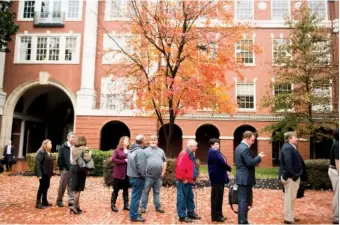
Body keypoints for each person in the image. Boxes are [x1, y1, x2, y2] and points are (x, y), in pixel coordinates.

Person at [235, 131, 265, 224]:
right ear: (247, 138)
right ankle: (243, 222)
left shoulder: (239, 147)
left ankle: (242, 220)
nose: (253, 142)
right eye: (252, 140)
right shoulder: (245, 148)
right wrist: (259, 157)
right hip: (245, 178)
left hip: (242, 177)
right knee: (244, 201)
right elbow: (250, 162)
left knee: (242, 201)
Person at [279, 131, 304, 224]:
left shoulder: (290, 147)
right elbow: (288, 163)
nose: (296, 138)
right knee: (289, 198)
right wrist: (293, 175)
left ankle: (290, 216)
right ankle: (288, 219)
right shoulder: (287, 148)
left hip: (291, 177)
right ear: (289, 138)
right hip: (290, 178)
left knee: (292, 198)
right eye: (295, 137)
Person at [175, 139, 201, 223]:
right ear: (190, 146)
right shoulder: (184, 154)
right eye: (195, 146)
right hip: (184, 180)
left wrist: (193, 178)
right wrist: (184, 179)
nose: (197, 147)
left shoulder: (191, 154)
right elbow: (180, 168)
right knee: (182, 198)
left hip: (189, 180)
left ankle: (191, 212)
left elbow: (191, 167)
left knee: (190, 197)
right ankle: (182, 216)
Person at [140, 135, 167, 213]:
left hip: (158, 176)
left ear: (157, 141)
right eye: (151, 140)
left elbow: (164, 161)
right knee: (145, 192)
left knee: (157, 192)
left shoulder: (161, 151)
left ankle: (158, 207)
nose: (153, 141)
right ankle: (143, 207)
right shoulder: (145, 151)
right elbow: (141, 162)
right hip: (148, 176)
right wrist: (143, 173)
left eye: (154, 140)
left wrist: (163, 172)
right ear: (149, 141)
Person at [207, 138, 231, 222]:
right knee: (216, 197)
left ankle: (219, 214)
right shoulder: (213, 152)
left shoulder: (215, 151)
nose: (218, 145)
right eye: (216, 144)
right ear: (212, 145)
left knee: (219, 197)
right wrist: (228, 168)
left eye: (218, 144)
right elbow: (221, 162)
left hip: (219, 177)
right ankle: (216, 216)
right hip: (216, 177)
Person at [127, 135, 147, 222]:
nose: (146, 142)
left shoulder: (131, 150)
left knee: (134, 196)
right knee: (136, 197)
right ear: (142, 141)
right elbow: (141, 166)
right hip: (138, 177)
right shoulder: (140, 151)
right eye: (145, 140)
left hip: (131, 176)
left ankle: (134, 212)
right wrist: (144, 175)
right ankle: (134, 216)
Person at [69, 136, 90, 214]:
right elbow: (87, 159)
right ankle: (74, 207)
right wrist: (89, 154)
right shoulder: (85, 148)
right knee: (79, 189)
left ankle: (77, 207)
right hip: (81, 169)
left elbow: (72, 159)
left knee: (75, 188)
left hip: (74, 168)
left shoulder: (73, 148)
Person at [111, 136, 131, 212]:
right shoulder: (117, 150)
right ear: (122, 141)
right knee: (116, 190)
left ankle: (126, 205)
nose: (127, 141)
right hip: (118, 174)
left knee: (126, 190)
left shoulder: (129, 151)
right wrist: (124, 161)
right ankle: (113, 205)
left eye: (128, 140)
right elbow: (113, 159)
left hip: (126, 174)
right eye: (125, 140)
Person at [56, 132, 76, 207]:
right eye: (72, 137)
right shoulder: (63, 147)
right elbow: (60, 158)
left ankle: (71, 201)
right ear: (68, 138)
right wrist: (62, 168)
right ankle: (59, 200)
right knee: (62, 186)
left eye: (75, 137)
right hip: (65, 169)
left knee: (72, 185)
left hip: (73, 169)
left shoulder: (75, 146)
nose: (74, 138)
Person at [35, 139, 54, 209]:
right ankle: (38, 202)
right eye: (49, 143)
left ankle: (44, 201)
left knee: (46, 187)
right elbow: (38, 163)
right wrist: (39, 174)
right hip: (43, 174)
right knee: (41, 187)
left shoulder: (48, 152)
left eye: (51, 143)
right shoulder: (41, 152)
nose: (51, 144)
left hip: (47, 174)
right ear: (45, 145)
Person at [328, 129, 339, 224]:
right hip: (336, 171)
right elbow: (337, 161)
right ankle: (337, 217)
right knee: (338, 195)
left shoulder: (336, 143)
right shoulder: (337, 145)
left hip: (335, 170)